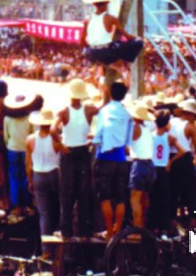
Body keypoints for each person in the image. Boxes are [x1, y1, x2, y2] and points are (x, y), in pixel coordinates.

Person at [54, 79, 98, 239]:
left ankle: (66, 231)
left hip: (69, 151)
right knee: (83, 192)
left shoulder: (64, 111)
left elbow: (53, 129)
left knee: (67, 192)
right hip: (83, 150)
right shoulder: (89, 110)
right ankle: (85, 232)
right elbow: (103, 110)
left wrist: (60, 144)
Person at [92, 82, 133, 240]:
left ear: (109, 93)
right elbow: (128, 139)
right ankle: (118, 229)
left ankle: (109, 231)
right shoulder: (126, 114)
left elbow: (99, 132)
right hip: (121, 157)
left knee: (105, 197)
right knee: (121, 197)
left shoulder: (105, 111)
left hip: (105, 157)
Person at [26, 109, 61, 254]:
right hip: (55, 174)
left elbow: (28, 164)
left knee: (44, 213)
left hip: (39, 174)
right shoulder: (57, 139)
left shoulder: (30, 140)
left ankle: (46, 249)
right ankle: (58, 246)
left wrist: (30, 180)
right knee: (57, 210)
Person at [80, 0, 143, 69]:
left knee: (116, 43)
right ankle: (122, 62)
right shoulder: (111, 19)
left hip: (91, 53)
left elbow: (82, 40)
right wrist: (138, 38)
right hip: (106, 53)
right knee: (138, 42)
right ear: (107, 3)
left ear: (94, 4)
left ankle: (102, 61)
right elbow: (127, 36)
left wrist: (91, 48)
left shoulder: (87, 19)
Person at [148, 110, 186, 234]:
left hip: (153, 167)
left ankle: (153, 227)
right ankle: (164, 228)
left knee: (153, 198)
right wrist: (170, 161)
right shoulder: (169, 137)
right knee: (164, 199)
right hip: (164, 169)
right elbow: (182, 151)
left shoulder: (150, 135)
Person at [128, 104, 156, 229]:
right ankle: (143, 227)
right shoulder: (147, 130)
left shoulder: (135, 127)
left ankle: (137, 228)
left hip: (139, 164)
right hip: (150, 164)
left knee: (135, 198)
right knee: (145, 198)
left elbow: (127, 142)